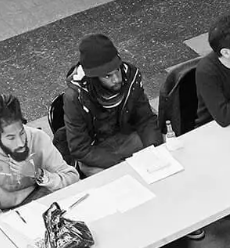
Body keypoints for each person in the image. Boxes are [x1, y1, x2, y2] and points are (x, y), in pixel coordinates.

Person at [0, 93, 77, 226]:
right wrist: (19, 224)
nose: (21, 143)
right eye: (11, 138)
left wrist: (38, 174)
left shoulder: (38, 138)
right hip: (8, 220)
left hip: (46, 207)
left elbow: (72, 179)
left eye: (22, 133)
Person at [64, 34, 163, 175]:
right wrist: (121, 164)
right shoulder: (75, 97)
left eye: (117, 70)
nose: (116, 79)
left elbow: (145, 118)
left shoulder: (130, 77)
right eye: (107, 76)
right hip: (96, 150)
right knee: (113, 178)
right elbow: (80, 148)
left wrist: (153, 149)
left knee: (160, 148)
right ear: (94, 78)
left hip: (126, 137)